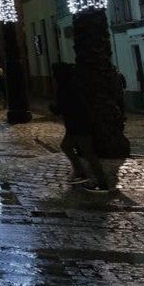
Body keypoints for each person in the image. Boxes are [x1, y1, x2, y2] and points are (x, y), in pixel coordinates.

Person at [53, 62, 112, 193]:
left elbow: (68, 106)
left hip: (79, 125)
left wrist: (56, 109)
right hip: (75, 125)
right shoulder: (71, 85)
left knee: (89, 153)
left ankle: (102, 184)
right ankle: (81, 173)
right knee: (66, 146)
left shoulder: (68, 87)